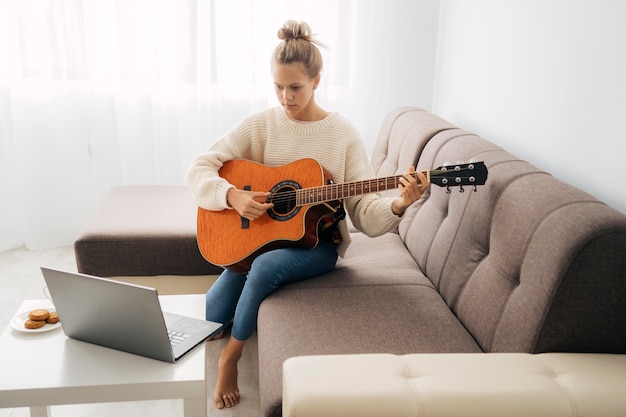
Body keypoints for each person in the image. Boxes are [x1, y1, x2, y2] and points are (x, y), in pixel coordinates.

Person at [186, 20, 430, 410]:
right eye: (278, 87)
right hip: (264, 234)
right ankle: (229, 317)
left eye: (295, 87)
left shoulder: (343, 135)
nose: (286, 97)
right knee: (208, 321)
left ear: (317, 80)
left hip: (316, 245)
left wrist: (401, 203)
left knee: (263, 268)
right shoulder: (263, 124)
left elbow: (365, 213)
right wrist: (231, 196)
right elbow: (199, 167)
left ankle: (233, 356)